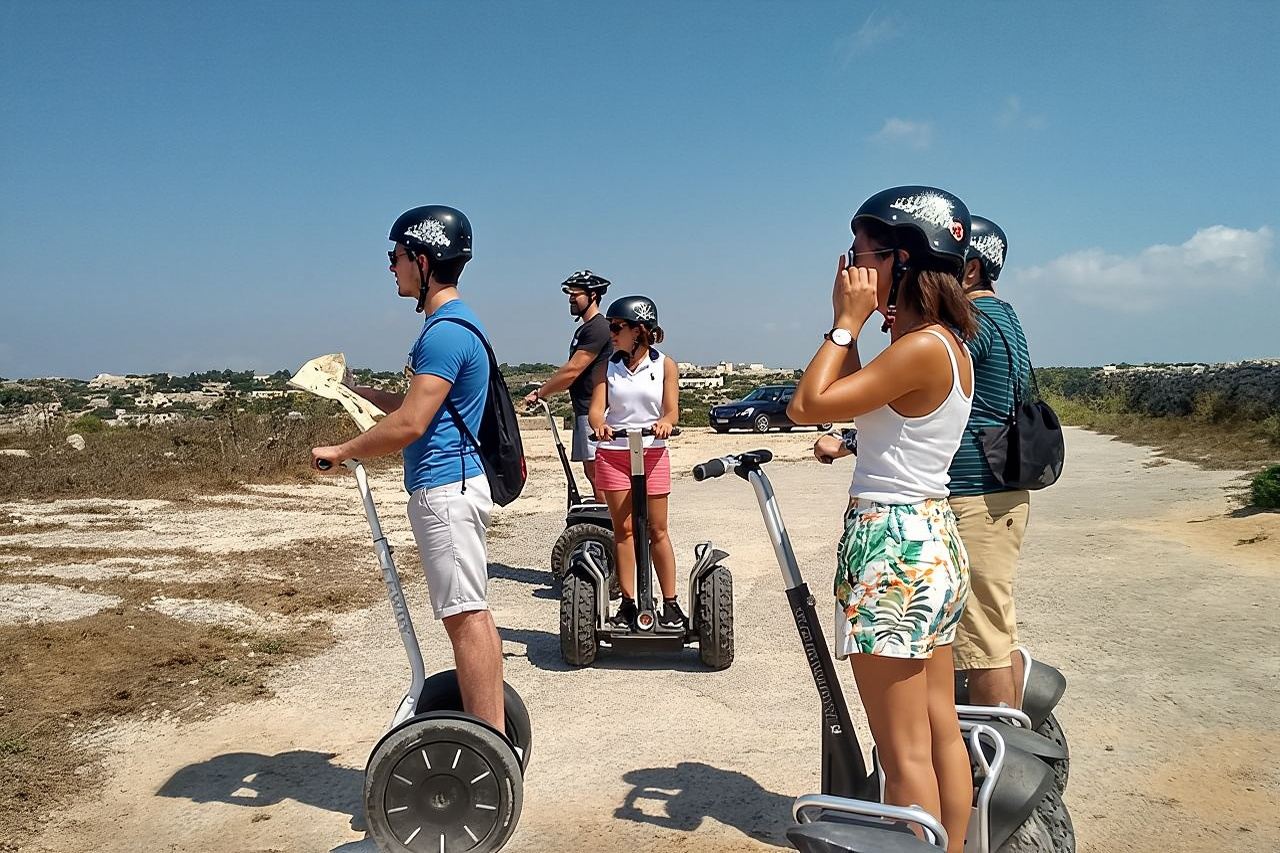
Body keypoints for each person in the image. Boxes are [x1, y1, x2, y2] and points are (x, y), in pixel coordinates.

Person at [787, 186, 977, 852]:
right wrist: (864, 329)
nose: (851, 268)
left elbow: (807, 404)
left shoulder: (921, 347)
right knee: (938, 730)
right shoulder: (942, 345)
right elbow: (860, 400)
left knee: (904, 758)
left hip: (891, 548)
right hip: (930, 541)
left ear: (904, 256)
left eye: (863, 255)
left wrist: (843, 322)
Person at [311, 205, 505, 733]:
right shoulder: (455, 326)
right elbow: (415, 403)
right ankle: (490, 736)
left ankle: (491, 751)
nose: (392, 268)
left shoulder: (444, 332)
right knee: (468, 613)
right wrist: (357, 391)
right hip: (449, 485)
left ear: (422, 260)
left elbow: (412, 423)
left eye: (395, 257)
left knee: (465, 618)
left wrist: (344, 450)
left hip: (446, 488)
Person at [948, 215, 1034, 709]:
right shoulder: (1006, 315)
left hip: (975, 491)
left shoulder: (971, 323)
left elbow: (930, 408)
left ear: (972, 270)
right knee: (994, 623)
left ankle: (1003, 764)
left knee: (983, 641)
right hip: (1001, 490)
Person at [587, 295, 685, 631]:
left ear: (639, 330)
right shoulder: (607, 367)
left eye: (617, 327)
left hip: (652, 452)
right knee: (624, 530)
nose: (612, 333)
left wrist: (667, 422)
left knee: (657, 529)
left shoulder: (664, 365)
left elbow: (671, 409)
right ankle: (628, 603)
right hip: (614, 455)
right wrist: (599, 424)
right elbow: (596, 409)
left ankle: (671, 604)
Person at [522, 270, 613, 502]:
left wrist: (541, 392)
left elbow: (573, 370)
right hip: (584, 408)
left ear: (593, 295)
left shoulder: (598, 328)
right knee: (592, 472)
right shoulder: (586, 328)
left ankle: (612, 527)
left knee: (599, 472)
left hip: (595, 410)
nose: (571, 299)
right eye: (569, 294)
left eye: (576, 294)